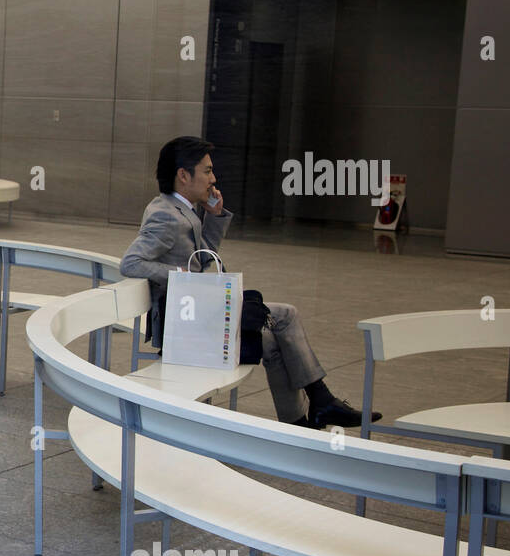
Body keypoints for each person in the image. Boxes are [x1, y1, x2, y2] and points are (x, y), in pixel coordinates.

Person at [119, 136, 380, 429]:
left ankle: (302, 420)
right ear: (183, 175)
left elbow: (204, 258)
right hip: (186, 325)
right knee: (286, 315)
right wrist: (183, 276)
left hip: (197, 316)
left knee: (272, 342)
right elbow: (131, 263)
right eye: (206, 171)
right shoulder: (165, 215)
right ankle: (319, 403)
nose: (213, 178)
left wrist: (214, 217)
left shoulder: (180, 209)